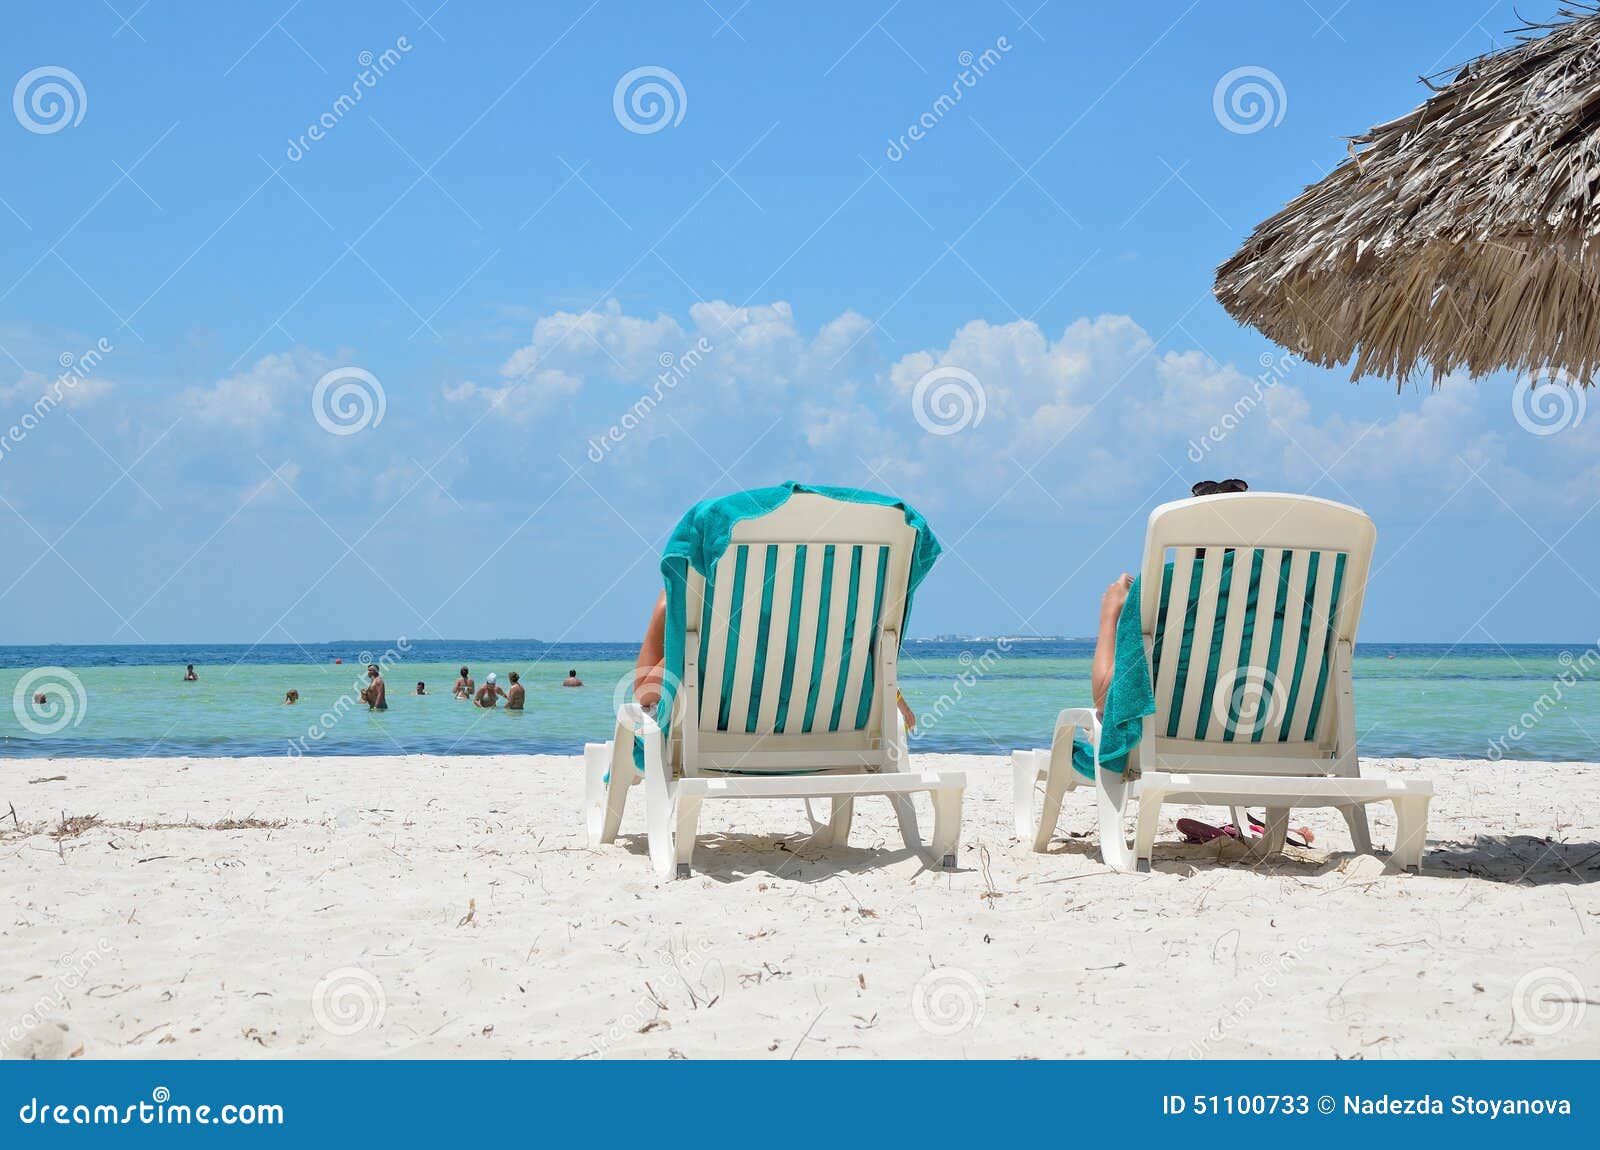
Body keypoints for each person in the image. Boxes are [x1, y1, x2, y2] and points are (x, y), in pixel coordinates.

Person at [631, 590, 917, 729]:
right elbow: (865, 656)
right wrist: (895, 696)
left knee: (670, 600)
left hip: (718, 741)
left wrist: (683, 640)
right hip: (824, 739)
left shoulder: (725, 644)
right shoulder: (838, 615)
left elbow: (645, 696)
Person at [1091, 478, 1248, 713]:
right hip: (1283, 741)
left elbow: (1105, 697)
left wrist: (1110, 611)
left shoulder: (1164, 590)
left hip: (1168, 743)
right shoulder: (1295, 590)